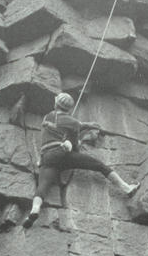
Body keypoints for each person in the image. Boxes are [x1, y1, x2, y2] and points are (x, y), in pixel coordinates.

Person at [24, 92, 140, 228]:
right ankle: (126, 188)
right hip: (62, 153)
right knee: (99, 165)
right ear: (69, 108)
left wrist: (84, 126)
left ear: (56, 104)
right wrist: (77, 140)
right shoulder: (72, 122)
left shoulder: (48, 116)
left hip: (47, 158)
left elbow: (71, 124)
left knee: (43, 185)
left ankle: (35, 208)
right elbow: (75, 136)